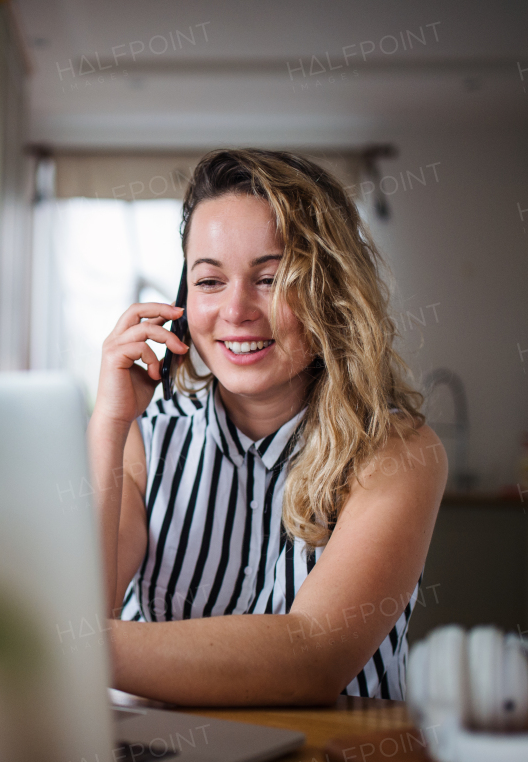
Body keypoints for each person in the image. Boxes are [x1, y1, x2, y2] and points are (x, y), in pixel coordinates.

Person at [89, 149, 446, 705]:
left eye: (272, 278)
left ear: (331, 291)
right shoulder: (147, 436)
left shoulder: (395, 451)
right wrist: (109, 423)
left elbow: (312, 656)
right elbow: (81, 607)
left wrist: (86, 650)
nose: (236, 310)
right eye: (209, 281)